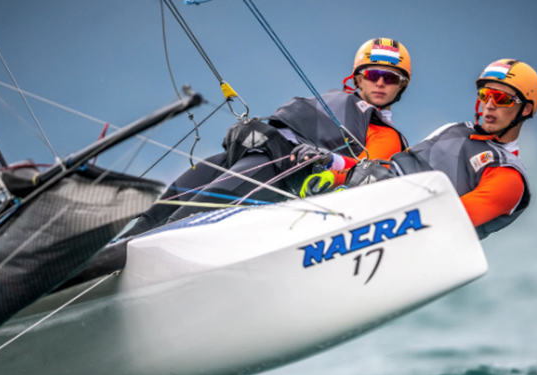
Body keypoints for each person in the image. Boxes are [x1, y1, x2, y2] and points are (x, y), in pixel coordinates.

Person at [122, 38, 413, 236]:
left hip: (287, 173)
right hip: (259, 152)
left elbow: (370, 174)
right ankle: (118, 247)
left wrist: (330, 160)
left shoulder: (387, 135)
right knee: (178, 193)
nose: (380, 83)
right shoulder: (334, 102)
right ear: (358, 77)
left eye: (391, 78)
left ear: (401, 87)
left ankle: (153, 245)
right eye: (374, 74)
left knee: (185, 217)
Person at [347, 58, 537, 239]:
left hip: (407, 236)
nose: (489, 106)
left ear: (525, 109)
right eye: (485, 95)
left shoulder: (509, 177)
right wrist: (336, 167)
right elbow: (388, 168)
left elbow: (449, 218)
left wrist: (387, 193)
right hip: (372, 205)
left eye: (501, 99)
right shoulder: (454, 129)